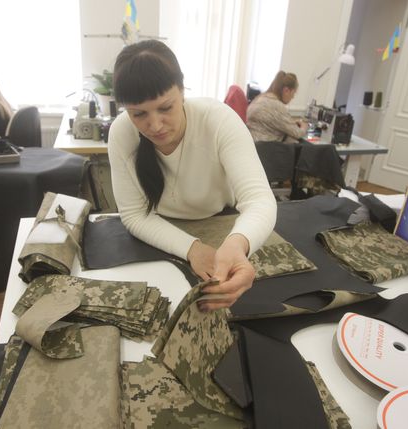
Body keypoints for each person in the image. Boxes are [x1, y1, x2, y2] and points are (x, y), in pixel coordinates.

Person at [108, 40, 277, 312]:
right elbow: (134, 215)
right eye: (138, 114)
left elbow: (259, 200)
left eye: (165, 108)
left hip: (223, 227)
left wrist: (238, 244)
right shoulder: (121, 133)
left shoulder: (219, 120)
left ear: (182, 91)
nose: (155, 125)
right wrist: (193, 249)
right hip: (160, 235)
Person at [246, 71, 308, 142]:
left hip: (253, 142)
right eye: (293, 93)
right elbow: (297, 133)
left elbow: (274, 120)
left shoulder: (260, 98)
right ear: (286, 90)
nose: (293, 97)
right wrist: (304, 127)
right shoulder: (277, 106)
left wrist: (290, 122)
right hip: (265, 147)